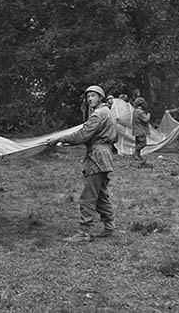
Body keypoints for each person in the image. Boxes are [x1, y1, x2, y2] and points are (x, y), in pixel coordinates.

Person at [47, 85, 118, 242]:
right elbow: (115, 137)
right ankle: (110, 227)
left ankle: (83, 232)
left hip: (96, 158)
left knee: (88, 196)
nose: (90, 99)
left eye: (93, 96)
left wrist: (60, 138)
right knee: (101, 195)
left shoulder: (98, 115)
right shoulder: (108, 112)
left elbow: (82, 135)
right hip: (105, 156)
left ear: (101, 97)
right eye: (88, 97)